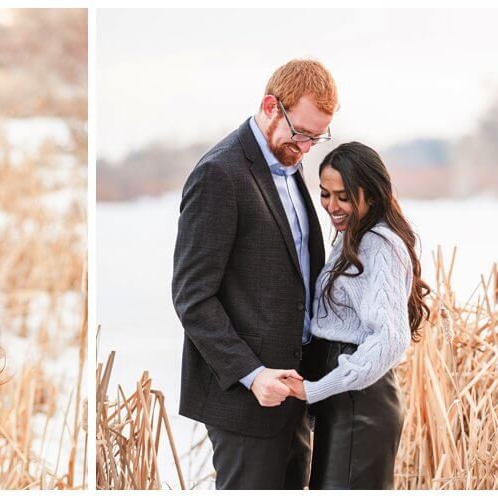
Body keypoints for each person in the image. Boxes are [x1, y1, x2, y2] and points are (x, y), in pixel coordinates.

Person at [171, 59, 335, 489]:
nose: (307, 147)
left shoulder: (292, 170)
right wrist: (252, 374)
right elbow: (192, 298)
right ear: (269, 106)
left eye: (317, 137)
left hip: (293, 394)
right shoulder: (218, 174)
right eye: (301, 133)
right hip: (245, 402)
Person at [290, 142, 431, 489]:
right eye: (325, 194)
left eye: (343, 196)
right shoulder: (353, 236)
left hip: (360, 407)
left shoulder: (378, 244)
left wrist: (315, 389)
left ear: (372, 193)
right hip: (344, 402)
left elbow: (390, 337)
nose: (331, 206)